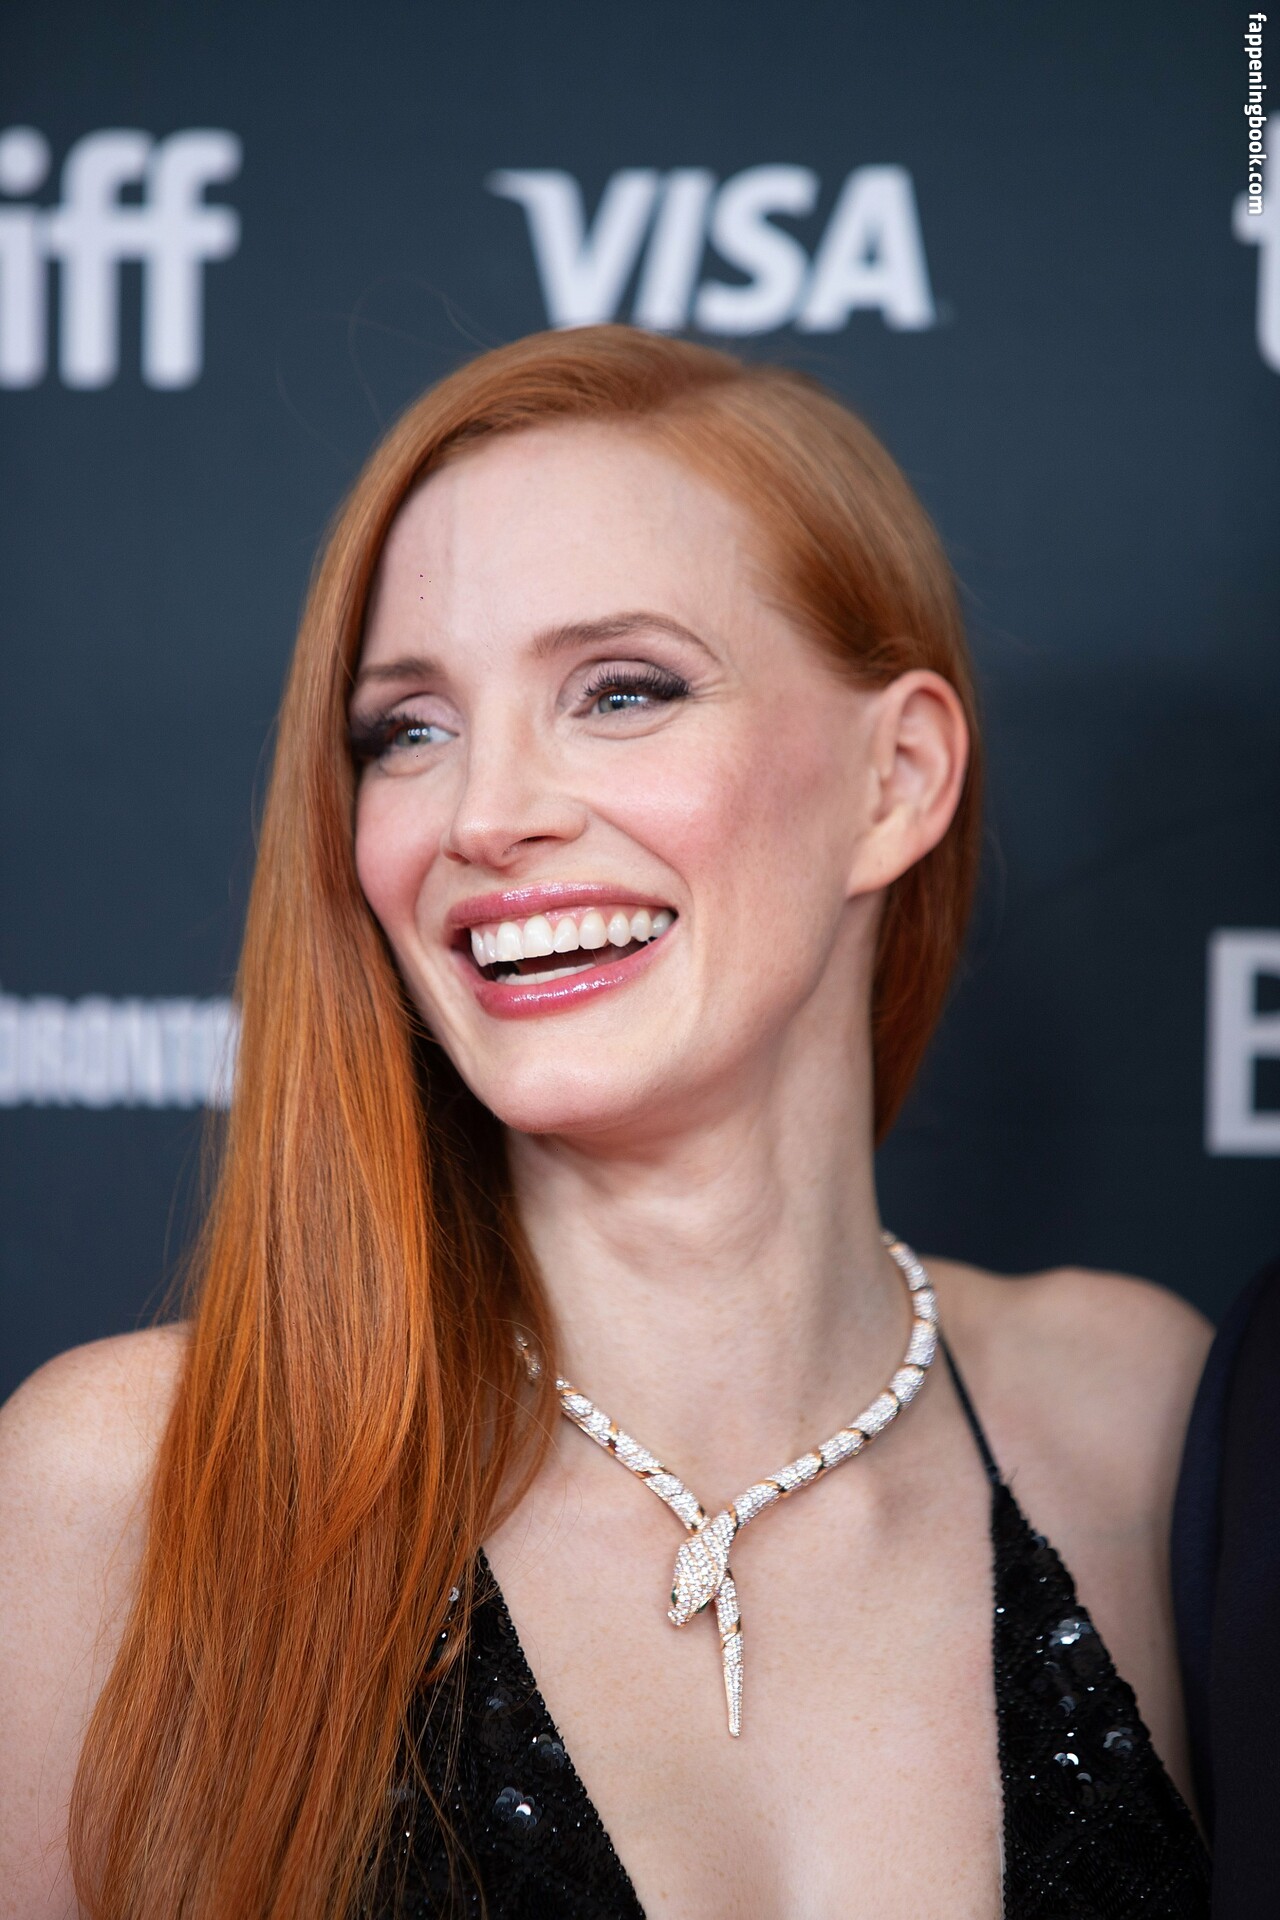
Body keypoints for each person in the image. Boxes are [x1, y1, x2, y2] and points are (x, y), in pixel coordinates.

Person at [0, 327, 1213, 1919]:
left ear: (897, 779)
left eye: (622, 692)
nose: (486, 813)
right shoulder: (127, 1494)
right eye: (407, 729)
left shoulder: (1142, 1418)